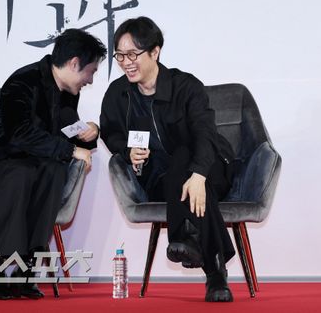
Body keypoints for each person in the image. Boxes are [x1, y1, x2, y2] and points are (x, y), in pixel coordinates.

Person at [100, 16, 235, 302]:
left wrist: (199, 175)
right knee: (177, 169)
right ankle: (212, 270)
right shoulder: (118, 94)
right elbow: (110, 132)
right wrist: (126, 150)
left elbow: (205, 134)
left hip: (210, 169)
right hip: (161, 180)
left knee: (184, 154)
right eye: (120, 55)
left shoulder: (185, 86)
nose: (125, 63)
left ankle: (185, 238)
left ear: (155, 52)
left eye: (133, 54)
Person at [0, 28, 107, 300]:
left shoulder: (68, 91)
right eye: (90, 72)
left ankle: (26, 271)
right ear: (74, 63)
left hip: (33, 170)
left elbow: (66, 130)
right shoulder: (22, 82)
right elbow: (20, 134)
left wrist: (91, 132)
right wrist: (71, 150)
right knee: (22, 173)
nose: (90, 80)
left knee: (54, 170)